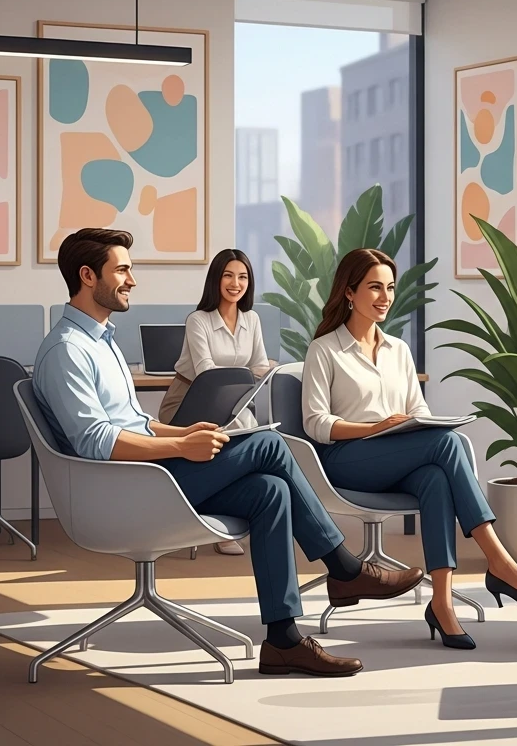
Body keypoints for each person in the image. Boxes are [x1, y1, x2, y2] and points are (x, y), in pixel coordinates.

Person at [33, 228, 425, 678]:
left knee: (270, 490)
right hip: (125, 490)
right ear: (87, 276)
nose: (132, 279)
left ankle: (283, 641)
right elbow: (96, 442)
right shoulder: (67, 350)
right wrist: (180, 444)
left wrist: (180, 431)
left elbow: (133, 423)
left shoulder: (103, 341)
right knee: (270, 443)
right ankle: (344, 566)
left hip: (151, 474)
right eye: (122, 269)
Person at [301, 248, 517, 650]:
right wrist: (375, 427)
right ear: (349, 292)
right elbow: (316, 424)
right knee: (449, 444)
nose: (385, 296)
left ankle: (441, 603)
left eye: (390, 287)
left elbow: (418, 411)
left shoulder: (398, 351)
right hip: (344, 461)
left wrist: (414, 423)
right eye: (374, 287)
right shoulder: (325, 350)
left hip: (397, 456)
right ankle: (499, 561)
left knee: (436, 477)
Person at [159, 248, 274, 555]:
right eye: (228, 275)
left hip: (232, 401)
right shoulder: (199, 320)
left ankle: (235, 518)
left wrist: (259, 371)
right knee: (240, 436)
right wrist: (252, 372)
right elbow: (206, 372)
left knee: (257, 435)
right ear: (216, 279)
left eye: (243, 277)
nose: (235, 283)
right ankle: (219, 528)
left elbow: (262, 365)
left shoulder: (252, 319)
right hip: (189, 400)